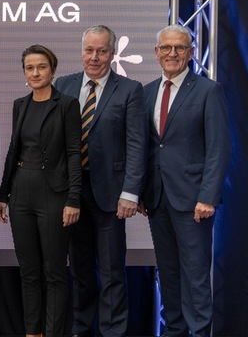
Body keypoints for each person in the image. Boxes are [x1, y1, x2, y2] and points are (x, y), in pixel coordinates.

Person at [54, 25, 146, 337]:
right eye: (89, 50)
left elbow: (136, 145)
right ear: (81, 52)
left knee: (111, 272)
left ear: (112, 53)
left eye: (102, 51)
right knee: (80, 271)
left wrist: (130, 192)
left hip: (111, 195)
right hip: (71, 194)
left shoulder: (130, 89)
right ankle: (81, 329)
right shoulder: (64, 85)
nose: (94, 57)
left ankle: (113, 331)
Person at [140, 25, 229, 337]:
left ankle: (200, 332)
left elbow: (218, 148)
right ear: (156, 53)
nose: (172, 53)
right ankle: (173, 331)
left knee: (195, 275)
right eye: (166, 48)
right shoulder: (147, 92)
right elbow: (147, 147)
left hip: (194, 202)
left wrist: (208, 197)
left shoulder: (208, 91)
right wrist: (141, 192)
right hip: (157, 199)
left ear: (191, 53)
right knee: (168, 273)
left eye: (180, 48)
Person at [0, 44, 82, 337]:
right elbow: (13, 150)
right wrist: (3, 195)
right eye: (29, 68)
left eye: (41, 67)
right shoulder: (20, 104)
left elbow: (74, 153)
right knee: (29, 272)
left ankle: (53, 332)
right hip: (21, 192)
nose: (35, 73)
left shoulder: (67, 104)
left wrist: (73, 198)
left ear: (52, 70)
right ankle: (32, 333)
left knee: (54, 272)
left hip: (54, 194)